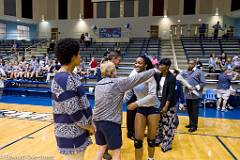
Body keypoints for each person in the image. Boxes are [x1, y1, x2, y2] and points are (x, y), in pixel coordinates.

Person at [93, 61, 159, 160]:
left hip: (97, 122)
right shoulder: (118, 82)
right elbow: (137, 78)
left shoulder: (98, 84)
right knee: (116, 152)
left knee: (101, 149)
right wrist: (153, 70)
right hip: (111, 123)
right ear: (112, 71)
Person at [51, 38, 94, 160]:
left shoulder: (70, 76)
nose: (80, 56)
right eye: (79, 53)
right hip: (70, 135)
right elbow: (74, 112)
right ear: (73, 56)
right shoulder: (64, 79)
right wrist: (90, 127)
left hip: (77, 132)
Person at [126, 55, 160, 160]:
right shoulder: (133, 77)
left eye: (139, 63)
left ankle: (150, 158)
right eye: (135, 62)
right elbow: (128, 93)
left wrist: (136, 104)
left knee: (151, 139)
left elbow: (152, 96)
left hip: (153, 108)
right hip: (141, 109)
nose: (136, 64)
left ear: (145, 65)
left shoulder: (149, 77)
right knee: (138, 140)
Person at [155, 58, 177, 152]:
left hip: (169, 104)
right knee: (159, 123)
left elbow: (170, 94)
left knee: (168, 124)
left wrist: (166, 106)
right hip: (159, 102)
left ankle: (167, 143)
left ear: (167, 66)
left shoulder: (171, 78)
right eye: (159, 65)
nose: (159, 66)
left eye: (161, 65)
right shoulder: (159, 75)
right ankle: (159, 138)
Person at [180, 59, 206, 132]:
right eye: (188, 63)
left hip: (195, 94)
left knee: (194, 111)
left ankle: (194, 126)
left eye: (191, 64)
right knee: (189, 110)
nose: (189, 65)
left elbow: (203, 83)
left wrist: (195, 87)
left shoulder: (199, 72)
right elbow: (183, 80)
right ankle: (191, 123)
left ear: (195, 64)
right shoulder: (186, 72)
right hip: (188, 94)